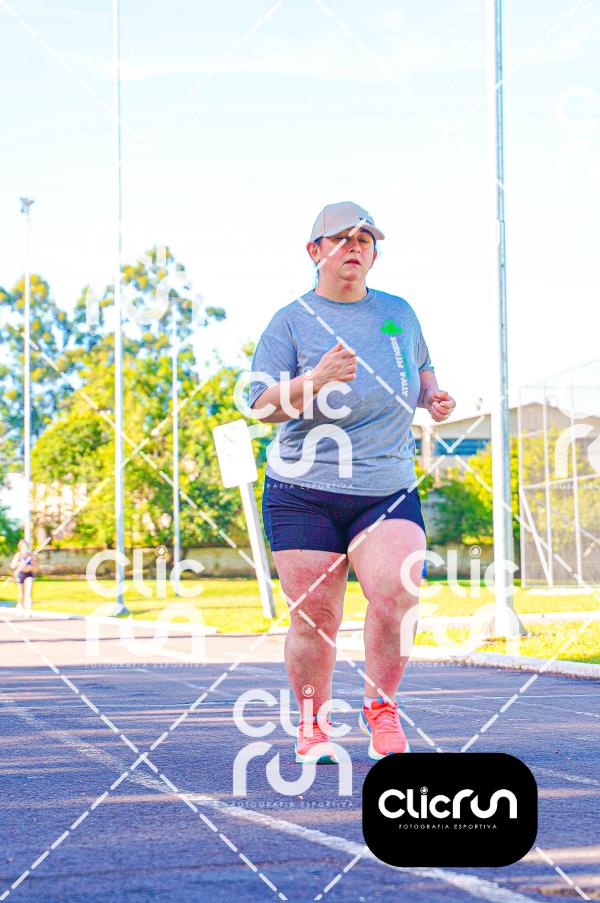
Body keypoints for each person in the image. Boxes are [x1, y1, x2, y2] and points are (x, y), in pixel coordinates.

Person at [249, 201, 455, 763]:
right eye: (342, 239)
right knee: (316, 616)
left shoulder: (398, 313)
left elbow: (421, 369)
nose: (355, 248)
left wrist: (431, 396)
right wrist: (315, 380)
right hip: (303, 490)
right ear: (314, 251)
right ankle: (313, 723)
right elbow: (261, 407)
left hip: (385, 484)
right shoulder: (290, 321)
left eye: (365, 240)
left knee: (399, 590)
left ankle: (380, 706)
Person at [11, 538, 36, 616]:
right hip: (20, 574)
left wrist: (29, 567)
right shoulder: (18, 555)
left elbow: (35, 566)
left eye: (26, 546)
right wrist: (19, 563)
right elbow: (12, 565)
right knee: (21, 593)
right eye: (23, 546)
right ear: (20, 547)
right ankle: (19, 606)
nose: (24, 548)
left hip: (29, 574)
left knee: (28, 592)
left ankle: (28, 609)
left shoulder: (31, 555)